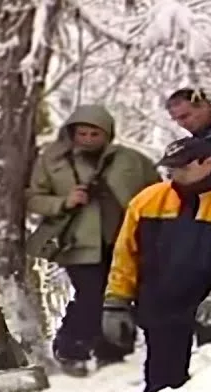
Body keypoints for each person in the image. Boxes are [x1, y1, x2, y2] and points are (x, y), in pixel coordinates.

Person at [101, 137, 211, 392]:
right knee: (161, 387)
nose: (174, 174)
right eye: (170, 168)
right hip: (161, 309)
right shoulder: (148, 201)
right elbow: (126, 256)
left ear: (208, 162)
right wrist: (116, 302)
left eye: (183, 167)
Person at [26, 104, 162, 376]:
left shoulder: (131, 160)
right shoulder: (54, 162)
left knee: (121, 295)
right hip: (79, 242)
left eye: (94, 134)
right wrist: (64, 201)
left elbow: (158, 193)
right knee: (91, 297)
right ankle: (71, 348)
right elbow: (32, 198)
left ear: (108, 134)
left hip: (124, 240)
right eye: (82, 133)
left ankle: (112, 351)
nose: (87, 140)